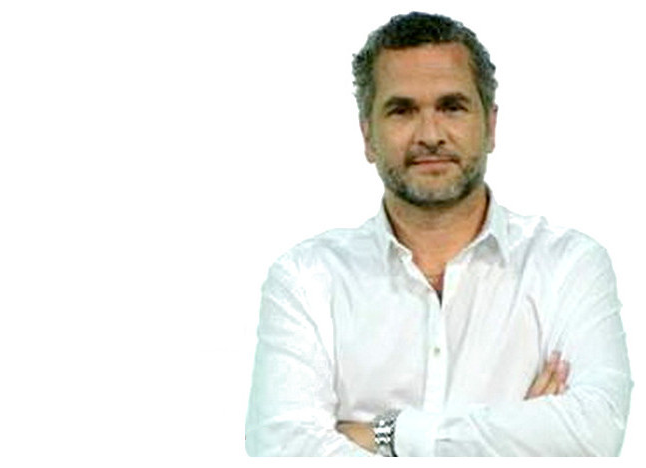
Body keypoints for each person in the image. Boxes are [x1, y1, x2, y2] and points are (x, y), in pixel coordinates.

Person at [244, 12, 632, 456]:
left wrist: (388, 435)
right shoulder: (307, 279)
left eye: (451, 107)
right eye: (402, 110)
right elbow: (280, 447)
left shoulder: (568, 266)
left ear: (491, 126)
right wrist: (520, 436)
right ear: (367, 135)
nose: (430, 135)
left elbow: (598, 430)